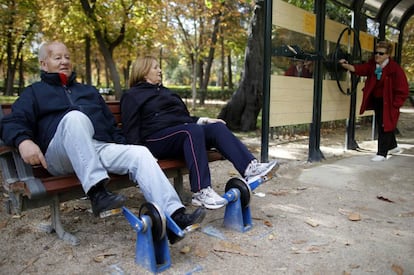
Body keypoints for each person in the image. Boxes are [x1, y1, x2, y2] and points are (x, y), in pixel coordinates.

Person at [0, 41, 205, 244]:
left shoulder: (88, 91)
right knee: (74, 117)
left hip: (97, 147)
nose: (64, 61)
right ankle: (98, 194)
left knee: (140, 154)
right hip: (60, 155)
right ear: (44, 64)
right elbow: (12, 121)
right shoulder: (34, 92)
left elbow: (110, 126)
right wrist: (23, 140)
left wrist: (127, 147)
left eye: (67, 57)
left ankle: (175, 217)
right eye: (58, 57)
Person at [120, 55, 278, 210]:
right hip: (156, 140)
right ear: (144, 70)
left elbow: (184, 118)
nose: (160, 70)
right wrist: (144, 154)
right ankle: (201, 191)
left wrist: (205, 120)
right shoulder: (132, 95)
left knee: (217, 127)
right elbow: (130, 129)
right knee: (191, 131)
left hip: (182, 134)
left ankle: (250, 169)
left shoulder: (167, 92)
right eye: (155, 67)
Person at [339, 40, 409, 161]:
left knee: (384, 125)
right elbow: (360, 69)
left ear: (388, 55)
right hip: (378, 100)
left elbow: (403, 89)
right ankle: (393, 146)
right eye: (376, 53)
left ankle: (382, 154)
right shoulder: (373, 65)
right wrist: (346, 65)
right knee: (383, 123)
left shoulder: (395, 69)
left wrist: (395, 104)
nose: (377, 55)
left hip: (389, 102)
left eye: (381, 53)